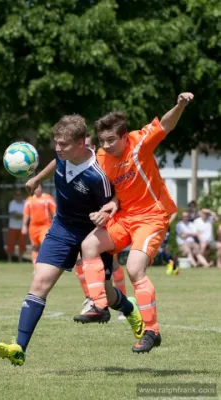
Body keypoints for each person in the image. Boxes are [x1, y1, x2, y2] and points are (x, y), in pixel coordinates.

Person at [0, 114, 143, 366]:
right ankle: (19, 347)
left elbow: (115, 206)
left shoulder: (98, 175)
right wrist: (37, 178)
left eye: (63, 144)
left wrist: (104, 214)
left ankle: (129, 309)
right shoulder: (63, 157)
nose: (57, 148)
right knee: (40, 282)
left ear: (80, 144)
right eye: (56, 142)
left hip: (93, 235)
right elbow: (55, 163)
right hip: (62, 229)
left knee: (106, 296)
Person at [73, 92, 194, 354]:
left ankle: (152, 331)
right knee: (88, 245)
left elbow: (166, 124)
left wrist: (180, 105)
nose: (105, 146)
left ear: (124, 136)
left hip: (152, 215)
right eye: (102, 141)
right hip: (125, 217)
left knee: (135, 269)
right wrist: (111, 206)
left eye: (111, 140)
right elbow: (112, 191)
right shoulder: (101, 160)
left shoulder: (140, 143)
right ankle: (99, 305)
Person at [75, 133, 128, 318]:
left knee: (112, 265)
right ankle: (91, 297)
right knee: (80, 261)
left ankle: (124, 302)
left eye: (89, 145)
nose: (86, 149)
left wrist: (106, 211)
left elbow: (119, 192)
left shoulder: (104, 165)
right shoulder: (76, 166)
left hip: (108, 222)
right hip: (85, 221)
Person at [22, 183, 56, 268]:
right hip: (33, 227)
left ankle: (45, 265)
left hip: (45, 225)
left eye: (38, 187)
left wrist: (56, 224)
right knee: (35, 246)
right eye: (35, 188)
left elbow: (54, 211)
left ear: (42, 188)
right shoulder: (29, 200)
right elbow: (26, 214)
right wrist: (24, 225)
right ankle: (35, 267)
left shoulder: (47, 198)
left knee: (44, 243)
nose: (37, 189)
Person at [7, 189, 26, 262]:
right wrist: (21, 215)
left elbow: (26, 214)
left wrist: (19, 215)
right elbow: (12, 214)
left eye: (20, 195)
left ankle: (20, 259)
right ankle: (9, 259)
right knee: (11, 243)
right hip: (13, 226)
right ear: (14, 196)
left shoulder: (25, 202)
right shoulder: (12, 203)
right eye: (17, 195)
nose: (18, 196)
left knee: (22, 244)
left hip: (22, 227)